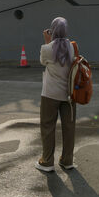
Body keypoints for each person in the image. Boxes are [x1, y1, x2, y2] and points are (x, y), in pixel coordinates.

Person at [36, 16, 76, 172]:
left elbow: (43, 62)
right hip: (69, 94)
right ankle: (67, 160)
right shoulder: (71, 46)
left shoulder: (47, 48)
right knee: (69, 127)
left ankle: (47, 162)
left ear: (52, 30)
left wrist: (47, 41)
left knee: (48, 126)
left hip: (50, 94)